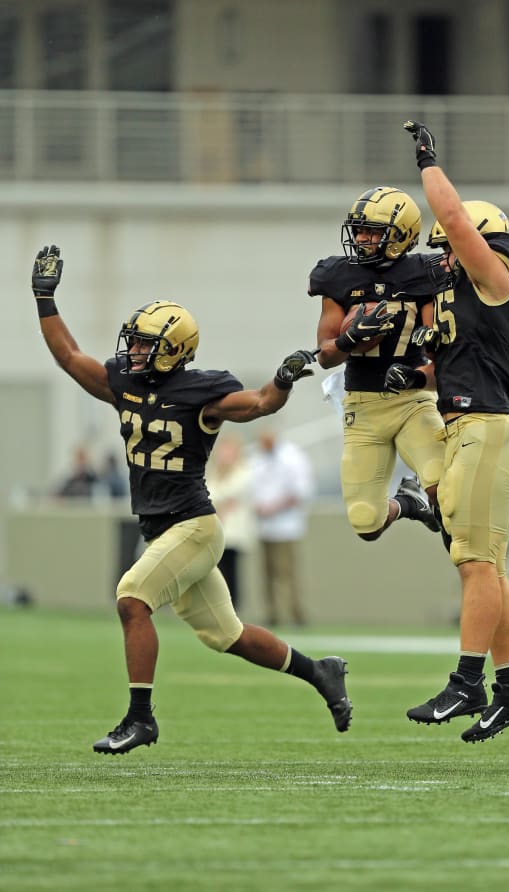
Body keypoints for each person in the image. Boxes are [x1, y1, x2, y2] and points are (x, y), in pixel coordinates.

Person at [30, 244, 352, 754]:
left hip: (194, 527)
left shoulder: (203, 393)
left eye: (145, 344)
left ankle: (140, 719)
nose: (133, 351)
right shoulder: (126, 383)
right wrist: (45, 299)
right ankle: (321, 672)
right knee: (228, 636)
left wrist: (284, 379)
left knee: (132, 599)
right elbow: (70, 357)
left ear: (175, 350)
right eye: (132, 342)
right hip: (163, 529)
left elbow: (262, 403)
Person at [386, 121, 509, 743]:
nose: (443, 254)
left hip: (486, 430)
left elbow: (450, 215)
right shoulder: (464, 305)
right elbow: (447, 368)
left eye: (451, 243)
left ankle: (467, 681)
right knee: (490, 571)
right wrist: (412, 376)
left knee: (475, 564)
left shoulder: (499, 274)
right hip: (467, 426)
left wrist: (427, 163)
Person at [308, 185, 448, 546]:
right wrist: (348, 341)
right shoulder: (338, 276)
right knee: (366, 522)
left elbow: (442, 362)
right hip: (362, 407)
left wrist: (416, 377)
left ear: (403, 236)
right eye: (359, 229)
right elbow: (325, 356)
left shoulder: (424, 274)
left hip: (410, 403)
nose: (362, 238)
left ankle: (464, 546)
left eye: (373, 231)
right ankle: (407, 503)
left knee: (443, 484)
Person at [250, 429, 314, 626]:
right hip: (264, 526)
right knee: (267, 574)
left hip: (286, 526)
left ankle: (296, 614)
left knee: (287, 573)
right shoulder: (256, 458)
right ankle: (272, 614)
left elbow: (301, 491)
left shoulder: (292, 457)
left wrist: (274, 507)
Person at [206, 435, 254, 610]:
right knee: (215, 572)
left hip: (233, 533)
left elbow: (231, 492)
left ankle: (232, 608)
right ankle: (217, 608)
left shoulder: (243, 471)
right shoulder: (213, 472)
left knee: (231, 572)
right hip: (214, 531)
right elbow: (210, 495)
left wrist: (221, 501)